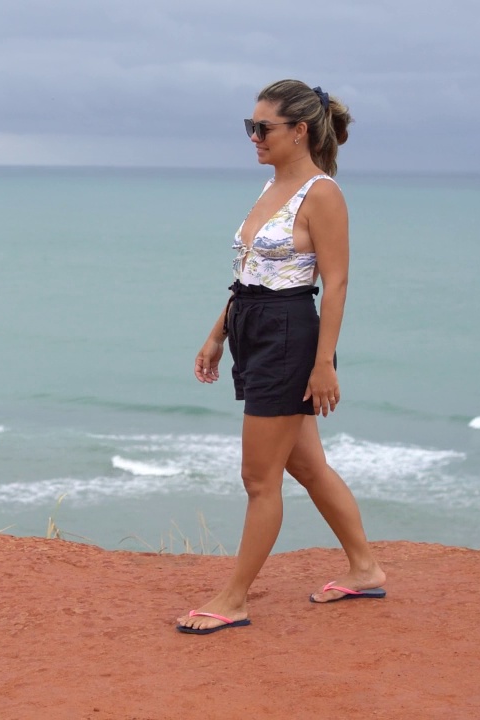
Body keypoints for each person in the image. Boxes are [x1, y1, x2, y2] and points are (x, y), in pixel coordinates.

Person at [175, 80, 386, 635]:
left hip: (289, 336)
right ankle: (364, 567)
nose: (253, 137)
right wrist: (216, 334)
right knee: (307, 466)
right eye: (250, 127)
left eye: (262, 128)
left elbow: (335, 285)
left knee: (259, 479)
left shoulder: (322, 194)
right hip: (251, 327)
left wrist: (324, 364)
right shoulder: (270, 187)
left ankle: (234, 598)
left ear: (300, 130)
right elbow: (249, 275)